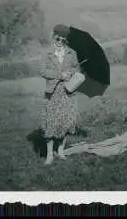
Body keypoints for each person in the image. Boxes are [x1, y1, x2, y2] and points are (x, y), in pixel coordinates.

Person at [40, 24, 79, 165]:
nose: (59, 40)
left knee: (65, 121)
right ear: (53, 36)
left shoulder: (71, 53)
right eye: (57, 37)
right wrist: (59, 75)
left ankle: (61, 151)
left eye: (63, 39)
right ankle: (50, 154)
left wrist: (71, 73)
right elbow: (43, 71)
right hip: (53, 93)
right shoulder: (47, 53)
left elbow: (76, 68)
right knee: (51, 122)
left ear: (66, 40)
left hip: (68, 92)